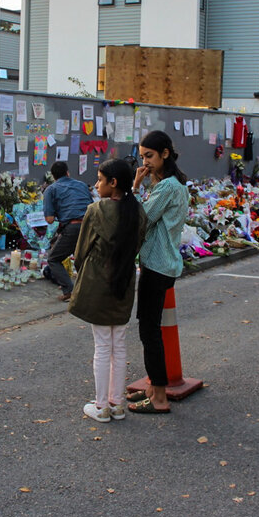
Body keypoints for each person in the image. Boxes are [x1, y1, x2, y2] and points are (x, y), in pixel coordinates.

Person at [68, 159, 147, 423]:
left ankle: (101, 406)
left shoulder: (96, 210)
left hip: (99, 281)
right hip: (125, 282)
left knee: (102, 345)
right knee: (119, 344)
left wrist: (83, 269)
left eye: (100, 179)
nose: (96, 184)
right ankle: (117, 404)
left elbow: (80, 253)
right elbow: (137, 244)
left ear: (113, 183)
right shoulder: (138, 211)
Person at [126, 131, 189, 414]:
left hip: (157, 265)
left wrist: (134, 187)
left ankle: (160, 397)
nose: (145, 162)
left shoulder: (166, 188)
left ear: (165, 153)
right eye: (142, 157)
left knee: (149, 331)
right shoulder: (174, 185)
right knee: (150, 328)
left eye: (149, 156)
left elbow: (142, 219)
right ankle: (153, 388)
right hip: (165, 264)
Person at [43, 161, 93, 301]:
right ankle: (88, 289)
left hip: (73, 227)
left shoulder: (51, 189)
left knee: (53, 259)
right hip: (91, 225)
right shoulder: (82, 185)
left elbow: (49, 219)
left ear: (53, 177)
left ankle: (69, 290)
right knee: (83, 259)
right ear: (68, 172)